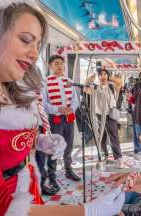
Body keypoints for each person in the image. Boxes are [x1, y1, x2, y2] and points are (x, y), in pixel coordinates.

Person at [0, 1, 124, 215]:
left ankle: (67, 169)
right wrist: (87, 211)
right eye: (25, 40)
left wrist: (39, 141)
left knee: (65, 151)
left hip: (29, 188)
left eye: (37, 45)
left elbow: (6, 143)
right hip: (11, 201)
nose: (33, 54)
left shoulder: (14, 88)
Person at [42, 54, 81, 182]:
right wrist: (58, 109)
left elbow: (75, 100)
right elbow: (43, 104)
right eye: (56, 63)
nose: (60, 66)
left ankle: (68, 170)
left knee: (69, 146)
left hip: (69, 119)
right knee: (54, 147)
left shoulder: (69, 81)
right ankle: (52, 175)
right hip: (55, 120)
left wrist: (71, 109)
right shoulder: (45, 83)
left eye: (61, 63)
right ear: (50, 66)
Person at [84, 68, 123, 168]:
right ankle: (104, 155)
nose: (103, 76)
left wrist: (110, 77)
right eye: (100, 74)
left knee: (114, 137)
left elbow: (119, 82)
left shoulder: (111, 87)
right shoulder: (95, 88)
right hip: (99, 115)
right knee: (101, 137)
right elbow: (85, 89)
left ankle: (118, 158)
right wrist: (89, 79)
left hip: (110, 115)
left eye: (105, 74)